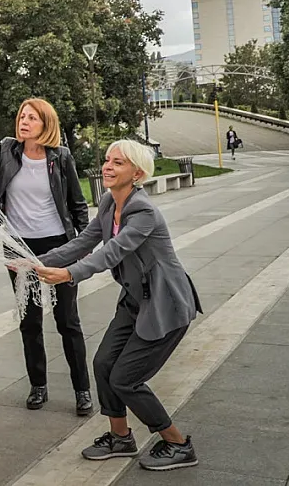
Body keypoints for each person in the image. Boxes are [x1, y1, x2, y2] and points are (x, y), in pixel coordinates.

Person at [31, 139, 203, 471]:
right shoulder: (110, 202)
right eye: (108, 160)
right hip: (134, 301)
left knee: (125, 379)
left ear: (137, 173)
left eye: (118, 163)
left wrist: (69, 274)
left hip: (165, 306)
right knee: (103, 364)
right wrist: (38, 261)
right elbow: (84, 241)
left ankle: (178, 444)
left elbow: (113, 252)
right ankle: (121, 437)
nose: (107, 166)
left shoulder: (143, 212)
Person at [0, 98, 94, 415]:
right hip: (19, 248)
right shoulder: (7, 149)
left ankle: (82, 390)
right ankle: (38, 386)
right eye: (22, 117)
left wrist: (84, 245)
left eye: (31, 117)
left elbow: (78, 204)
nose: (24, 121)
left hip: (59, 246)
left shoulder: (61, 157)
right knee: (30, 321)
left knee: (67, 321)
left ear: (46, 124)